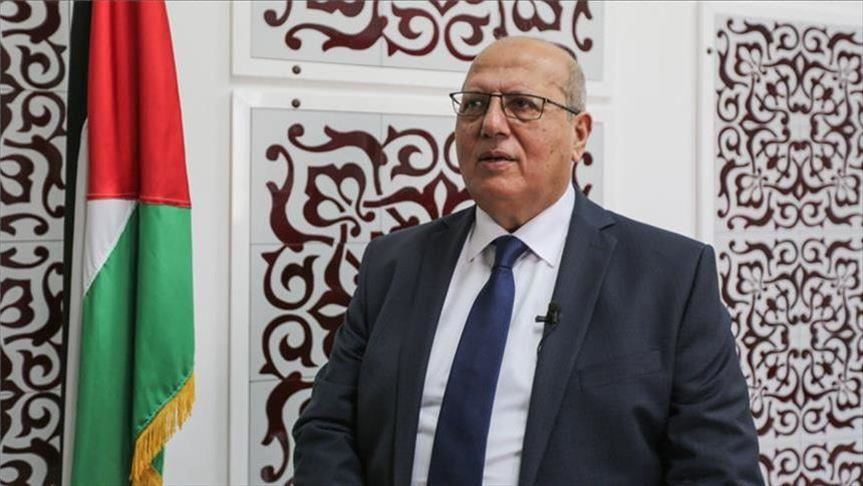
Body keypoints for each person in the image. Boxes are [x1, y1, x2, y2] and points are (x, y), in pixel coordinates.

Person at [293, 36, 762, 485]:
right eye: (475, 104)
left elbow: (717, 469)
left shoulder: (672, 279)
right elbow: (328, 426)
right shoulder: (393, 263)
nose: (491, 124)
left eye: (522, 104)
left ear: (579, 135)